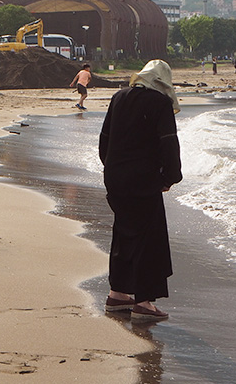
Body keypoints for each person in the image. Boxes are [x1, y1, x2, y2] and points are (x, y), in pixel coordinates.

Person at [98, 59, 182, 322]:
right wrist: (170, 177)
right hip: (143, 181)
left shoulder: (119, 97)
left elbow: (104, 140)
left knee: (123, 233)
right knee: (149, 239)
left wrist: (112, 169)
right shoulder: (160, 104)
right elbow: (169, 144)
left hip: (115, 178)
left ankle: (118, 294)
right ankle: (143, 303)